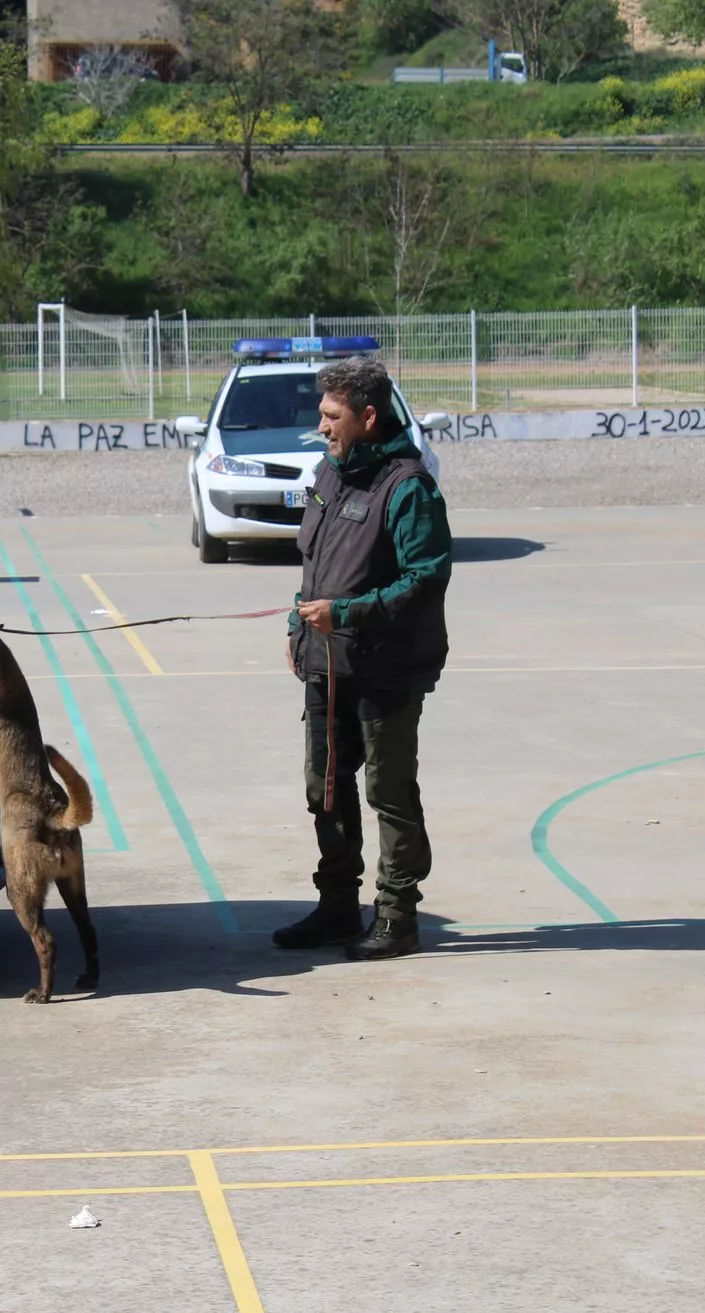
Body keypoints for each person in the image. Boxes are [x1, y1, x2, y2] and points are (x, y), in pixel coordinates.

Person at [272, 355, 452, 960]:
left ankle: (397, 916)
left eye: (332, 416)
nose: (321, 426)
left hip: (385, 668)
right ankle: (338, 909)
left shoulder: (408, 487)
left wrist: (345, 614)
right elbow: (316, 565)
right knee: (324, 786)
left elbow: (425, 580)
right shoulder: (329, 472)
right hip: (327, 662)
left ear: (368, 417)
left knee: (389, 792)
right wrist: (299, 626)